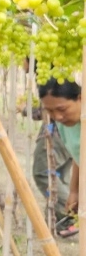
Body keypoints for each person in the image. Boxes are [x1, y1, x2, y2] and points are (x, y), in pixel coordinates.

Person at [34, 79, 81, 239]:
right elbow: (79, 157)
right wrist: (74, 191)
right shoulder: (64, 124)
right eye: (50, 111)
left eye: (62, 109)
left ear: (80, 98)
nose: (58, 116)